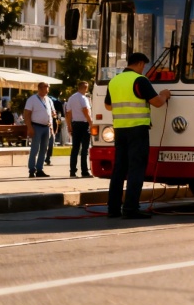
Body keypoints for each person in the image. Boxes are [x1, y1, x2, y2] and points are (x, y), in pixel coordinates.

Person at [105, 52, 171, 220]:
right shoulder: (139, 80)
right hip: (137, 130)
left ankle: (113, 209)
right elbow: (157, 102)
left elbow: (108, 106)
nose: (144, 69)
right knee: (136, 169)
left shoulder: (114, 81)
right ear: (141, 63)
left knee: (119, 170)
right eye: (144, 66)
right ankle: (130, 208)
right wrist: (165, 94)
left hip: (120, 130)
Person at [24, 82, 55, 177]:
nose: (47, 91)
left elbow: (52, 114)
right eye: (46, 89)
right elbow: (26, 114)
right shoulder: (32, 100)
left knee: (44, 149)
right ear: (40, 89)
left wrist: (52, 128)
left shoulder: (49, 100)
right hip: (36, 127)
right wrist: (30, 128)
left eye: (48, 89)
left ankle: (40, 169)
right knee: (35, 148)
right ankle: (32, 169)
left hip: (47, 127)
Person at [67, 81, 93, 178]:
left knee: (75, 148)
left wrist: (69, 125)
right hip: (84, 124)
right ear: (85, 88)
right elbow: (85, 110)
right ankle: (84, 171)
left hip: (75, 124)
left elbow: (68, 112)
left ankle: (72, 171)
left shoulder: (71, 98)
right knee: (84, 149)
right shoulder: (83, 98)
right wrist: (90, 123)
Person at [45, 96, 64, 165]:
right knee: (48, 144)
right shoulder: (47, 113)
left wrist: (56, 129)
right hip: (48, 128)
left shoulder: (54, 114)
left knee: (50, 144)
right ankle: (47, 158)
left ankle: (48, 158)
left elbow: (56, 121)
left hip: (52, 129)